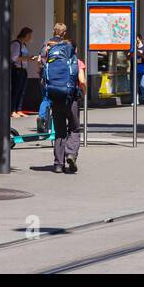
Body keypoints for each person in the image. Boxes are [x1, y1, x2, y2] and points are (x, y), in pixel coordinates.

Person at [42, 23, 85, 174]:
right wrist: (83, 93)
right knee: (74, 128)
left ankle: (58, 164)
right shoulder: (76, 61)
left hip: (55, 97)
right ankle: (71, 153)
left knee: (59, 131)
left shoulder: (51, 55)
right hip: (71, 98)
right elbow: (82, 81)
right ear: (75, 49)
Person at [10, 27, 33, 117]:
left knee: (21, 90)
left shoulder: (23, 45)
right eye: (29, 35)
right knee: (16, 90)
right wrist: (28, 58)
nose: (31, 37)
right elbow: (14, 58)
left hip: (23, 69)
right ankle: (12, 110)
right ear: (25, 35)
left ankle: (18, 109)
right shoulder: (17, 44)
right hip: (17, 70)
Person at [135, 38, 144, 108]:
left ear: (140, 39)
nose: (136, 41)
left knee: (142, 84)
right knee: (135, 85)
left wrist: (141, 54)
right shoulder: (133, 47)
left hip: (142, 67)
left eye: (137, 39)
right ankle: (136, 100)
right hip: (134, 67)